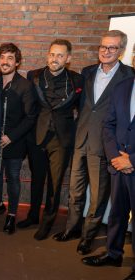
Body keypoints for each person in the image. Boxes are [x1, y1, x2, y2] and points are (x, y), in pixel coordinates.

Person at [53, 30, 134, 255]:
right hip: (81, 140)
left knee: (98, 196)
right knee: (75, 192)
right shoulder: (87, 72)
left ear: (121, 51)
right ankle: (72, 229)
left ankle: (87, 237)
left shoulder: (129, 76)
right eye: (103, 47)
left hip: (106, 146)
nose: (106, 51)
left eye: (112, 48)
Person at [82, 51, 135, 280]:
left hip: (132, 164)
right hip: (118, 164)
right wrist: (115, 156)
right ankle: (114, 254)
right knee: (117, 212)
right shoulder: (123, 87)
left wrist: (131, 160)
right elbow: (109, 124)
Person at [27, 39, 84, 240]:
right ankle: (33, 215)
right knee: (36, 180)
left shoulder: (77, 80)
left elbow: (84, 111)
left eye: (60, 55)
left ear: (68, 59)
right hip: (38, 136)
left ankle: (47, 223)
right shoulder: (33, 76)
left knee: (55, 184)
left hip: (61, 139)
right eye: (52, 54)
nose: (55, 58)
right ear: (47, 55)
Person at [0, 43, 37, 234]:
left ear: (17, 62)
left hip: (14, 142)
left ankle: (12, 215)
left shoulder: (25, 85)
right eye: (2, 57)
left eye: (10, 58)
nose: (5, 62)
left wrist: (11, 137)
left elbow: (31, 117)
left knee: (13, 178)